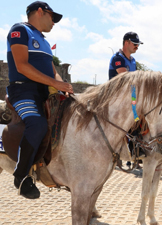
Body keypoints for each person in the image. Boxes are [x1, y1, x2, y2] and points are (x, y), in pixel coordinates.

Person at [6, 1, 73, 199]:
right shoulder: (20, 30)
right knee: (37, 125)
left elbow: (53, 71)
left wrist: (64, 88)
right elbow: (22, 66)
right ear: (40, 12)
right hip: (23, 92)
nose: (54, 23)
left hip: (45, 93)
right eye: (53, 18)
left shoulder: (44, 41)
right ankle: (21, 176)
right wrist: (55, 83)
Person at [108, 32, 143, 167]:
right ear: (126, 43)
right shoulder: (118, 58)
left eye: (138, 44)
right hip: (116, 99)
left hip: (131, 99)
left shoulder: (133, 60)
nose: (137, 47)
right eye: (135, 44)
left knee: (137, 125)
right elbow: (128, 79)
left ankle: (135, 154)